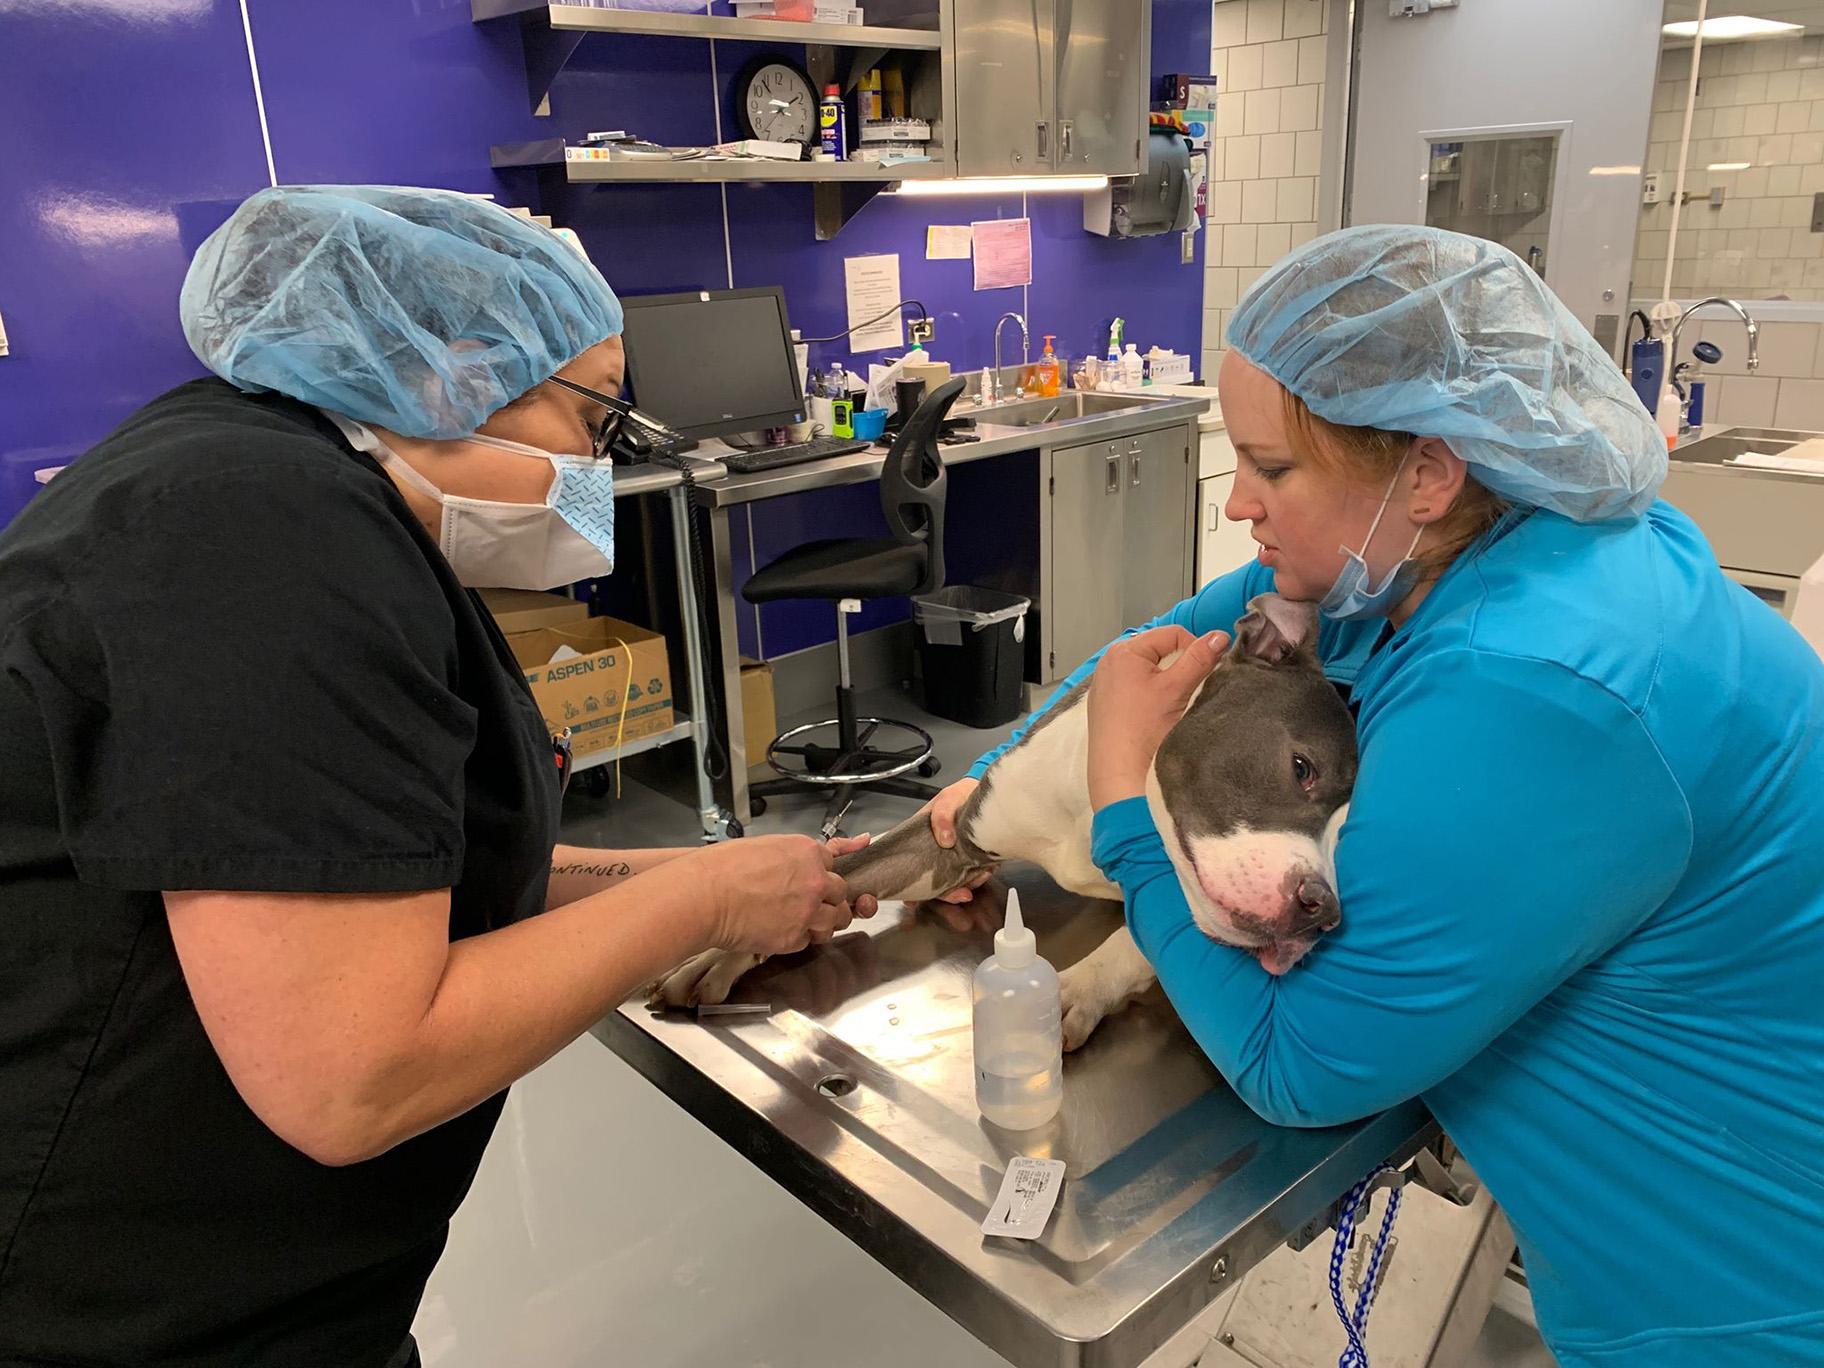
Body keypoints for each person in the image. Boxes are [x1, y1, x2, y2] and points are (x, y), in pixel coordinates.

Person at [0, 185, 873, 1368]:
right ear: (454, 372)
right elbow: (353, 1076)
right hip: (123, 1300)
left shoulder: (275, 476)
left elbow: (400, 862)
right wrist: (705, 905)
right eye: (594, 420)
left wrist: (697, 866)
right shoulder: (264, 536)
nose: (595, 471)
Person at [926, 226, 1824, 1365]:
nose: (1242, 502)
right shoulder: (1455, 549)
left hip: (1747, 1292)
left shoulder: (1540, 688)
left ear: (1430, 467)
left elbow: (1298, 1064)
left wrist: (1124, 820)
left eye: (1274, 468)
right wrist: (985, 779)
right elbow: (1148, 654)